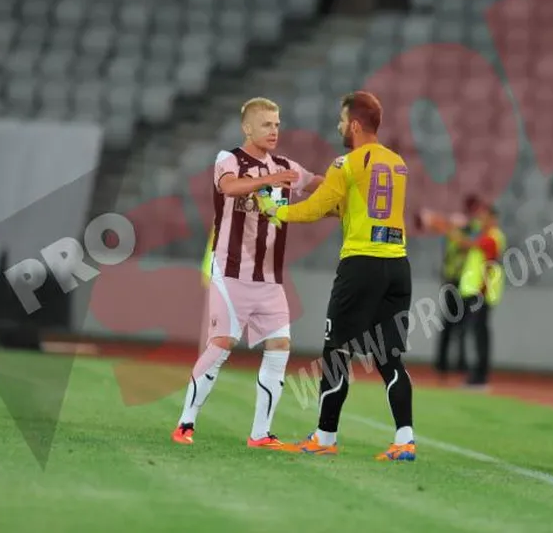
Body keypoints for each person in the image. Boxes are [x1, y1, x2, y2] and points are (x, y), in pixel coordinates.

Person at [257, 90, 416, 461]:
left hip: (361, 265)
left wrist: (277, 211)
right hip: (397, 265)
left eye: (343, 121)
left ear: (355, 125)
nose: (339, 127)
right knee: (390, 358)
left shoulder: (346, 163)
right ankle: (405, 440)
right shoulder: (398, 164)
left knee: (337, 352)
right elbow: (353, 208)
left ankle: (325, 437)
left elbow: (315, 209)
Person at [172, 97, 323, 450]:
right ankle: (185, 423)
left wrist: (344, 185)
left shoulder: (285, 166)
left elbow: (315, 182)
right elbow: (229, 187)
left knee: (280, 346)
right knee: (221, 344)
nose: (274, 130)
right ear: (247, 128)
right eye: (267, 124)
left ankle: (260, 433)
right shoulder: (229, 160)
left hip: (269, 279)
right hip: (231, 273)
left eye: (277, 124)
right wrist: (272, 179)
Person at [418, 195, 483, 378]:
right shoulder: (459, 226)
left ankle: (458, 363)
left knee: (462, 324)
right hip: (453, 280)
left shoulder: (467, 227)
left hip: (465, 281)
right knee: (449, 322)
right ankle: (443, 363)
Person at [456, 202, 506, 388]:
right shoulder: (484, 235)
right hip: (478, 292)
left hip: (482, 293)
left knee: (479, 334)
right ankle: (478, 373)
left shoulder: (492, 238)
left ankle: (479, 375)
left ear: (492, 219)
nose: (480, 219)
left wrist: (482, 291)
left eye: (484, 216)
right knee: (479, 333)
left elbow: (488, 266)